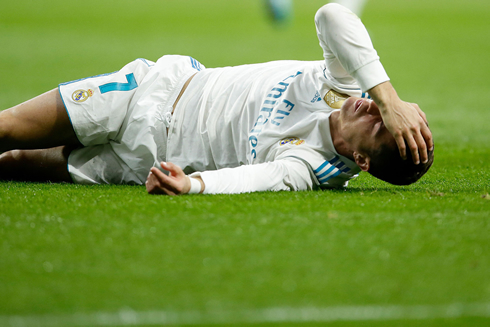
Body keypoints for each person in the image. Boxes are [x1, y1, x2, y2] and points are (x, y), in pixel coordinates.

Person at [0, 3, 433, 195]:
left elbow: (254, 180)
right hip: (150, 93)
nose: (373, 110)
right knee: (7, 128)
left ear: (361, 161)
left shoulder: (312, 167)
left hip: (143, 162)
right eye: (388, 113)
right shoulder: (346, 84)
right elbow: (331, 15)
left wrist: (191, 185)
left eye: (380, 126)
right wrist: (389, 97)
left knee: (15, 163)